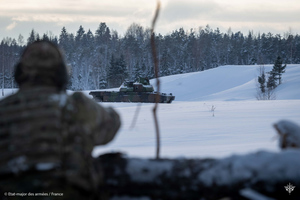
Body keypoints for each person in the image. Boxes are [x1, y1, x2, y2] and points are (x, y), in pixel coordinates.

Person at [0, 40, 121, 199]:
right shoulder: (76, 106)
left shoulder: (3, 110)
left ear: (20, 72)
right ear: (61, 73)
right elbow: (112, 124)